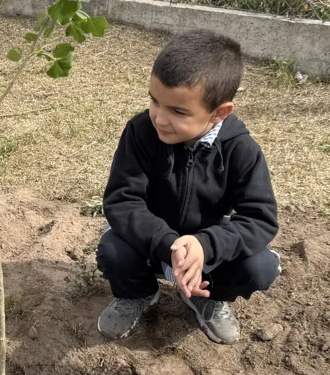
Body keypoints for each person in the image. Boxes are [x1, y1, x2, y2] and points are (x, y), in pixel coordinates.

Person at [96, 30, 280, 345]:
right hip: (152, 245)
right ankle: (137, 293)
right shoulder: (140, 133)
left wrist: (205, 246)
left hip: (205, 257)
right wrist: (169, 244)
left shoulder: (241, 150)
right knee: (112, 248)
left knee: (261, 266)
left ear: (220, 112)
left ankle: (207, 297)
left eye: (178, 111)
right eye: (154, 100)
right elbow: (122, 201)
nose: (159, 118)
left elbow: (260, 218)